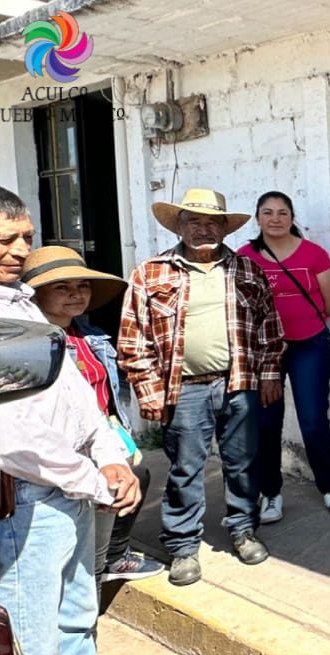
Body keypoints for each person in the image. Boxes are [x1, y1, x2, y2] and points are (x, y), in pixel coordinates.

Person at [0, 183, 167, 655]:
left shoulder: (20, 303)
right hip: (22, 507)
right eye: (3, 239)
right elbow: (12, 435)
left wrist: (112, 457)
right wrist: (97, 479)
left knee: (73, 621)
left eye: (25, 237)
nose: (19, 250)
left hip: (67, 492)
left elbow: (75, 397)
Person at [117, 187, 284, 587]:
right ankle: (183, 546)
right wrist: (148, 390)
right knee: (186, 468)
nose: (204, 229)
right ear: (180, 225)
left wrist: (270, 374)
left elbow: (268, 326)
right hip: (184, 389)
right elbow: (132, 338)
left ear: (225, 229)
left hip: (238, 382)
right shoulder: (150, 272)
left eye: (213, 222)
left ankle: (243, 529)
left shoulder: (246, 270)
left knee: (242, 463)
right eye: (195, 221)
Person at [23, 246, 166, 655]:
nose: (75, 295)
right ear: (36, 294)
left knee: (92, 570)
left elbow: (102, 402)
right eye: (61, 287)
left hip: (103, 465)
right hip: (61, 476)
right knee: (70, 580)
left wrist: (119, 441)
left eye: (81, 285)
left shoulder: (88, 337)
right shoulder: (26, 344)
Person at [238, 192, 330, 522]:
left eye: (283, 212)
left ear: (292, 217)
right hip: (264, 352)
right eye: (268, 212)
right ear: (257, 218)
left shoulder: (314, 254)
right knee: (266, 423)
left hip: (309, 346)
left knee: (314, 420)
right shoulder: (245, 257)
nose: (275, 218)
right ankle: (271, 494)